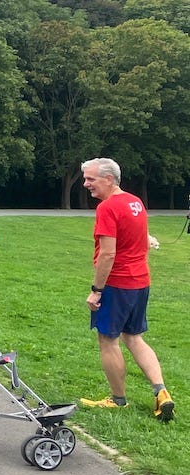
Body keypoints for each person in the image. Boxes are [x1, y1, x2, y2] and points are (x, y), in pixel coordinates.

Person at [78, 158, 174, 421]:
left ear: (109, 179)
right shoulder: (135, 202)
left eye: (91, 179)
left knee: (108, 340)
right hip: (140, 281)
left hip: (118, 283)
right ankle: (161, 391)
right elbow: (141, 237)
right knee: (134, 337)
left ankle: (117, 400)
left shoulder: (108, 207)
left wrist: (97, 289)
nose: (86, 184)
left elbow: (108, 254)